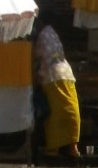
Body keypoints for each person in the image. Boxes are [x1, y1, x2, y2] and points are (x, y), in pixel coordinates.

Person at [33, 25, 81, 159]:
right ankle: (72, 146)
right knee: (70, 109)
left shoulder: (42, 35)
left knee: (56, 114)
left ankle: (54, 148)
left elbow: (36, 57)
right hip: (66, 73)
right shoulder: (51, 33)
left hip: (52, 75)